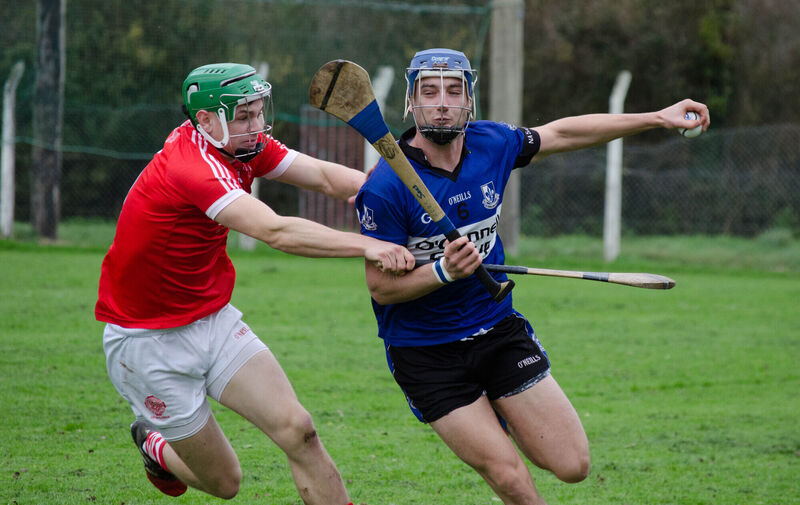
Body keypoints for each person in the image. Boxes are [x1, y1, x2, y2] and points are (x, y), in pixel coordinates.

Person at [355, 48, 710, 505]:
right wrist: (443, 271)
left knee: (572, 464)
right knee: (511, 477)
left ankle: (499, 414)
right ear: (410, 102)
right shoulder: (384, 188)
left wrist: (656, 118)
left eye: (452, 89)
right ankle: (488, 429)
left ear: (470, 100)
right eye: (428, 91)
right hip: (427, 352)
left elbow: (561, 132)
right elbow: (381, 288)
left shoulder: (493, 144)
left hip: (497, 330)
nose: (441, 101)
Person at [95, 62, 415, 503]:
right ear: (205, 120)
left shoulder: (242, 144)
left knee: (299, 431)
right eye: (243, 116)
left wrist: (394, 203)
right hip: (147, 342)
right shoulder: (193, 167)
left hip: (213, 320)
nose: (257, 126)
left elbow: (326, 178)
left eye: (259, 112)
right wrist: (368, 245)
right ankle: (153, 444)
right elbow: (275, 231)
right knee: (225, 483)